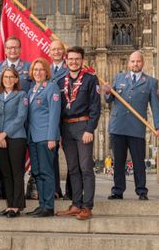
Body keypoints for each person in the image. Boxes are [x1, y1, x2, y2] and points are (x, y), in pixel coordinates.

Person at [104, 50, 159, 201]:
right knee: (118, 161)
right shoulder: (118, 78)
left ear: (142, 63)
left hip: (137, 127)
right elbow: (109, 100)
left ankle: (141, 191)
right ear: (128, 63)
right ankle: (117, 191)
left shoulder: (150, 82)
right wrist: (107, 92)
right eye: (133, 61)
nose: (135, 64)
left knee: (138, 161)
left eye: (138, 61)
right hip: (118, 126)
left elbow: (155, 106)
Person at [56, 46, 101, 220]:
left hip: (83, 127)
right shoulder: (60, 82)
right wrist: (59, 133)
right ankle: (76, 204)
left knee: (85, 168)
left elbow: (95, 107)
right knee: (73, 169)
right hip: (66, 128)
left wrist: (90, 129)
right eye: (70, 59)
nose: (73, 62)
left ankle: (87, 206)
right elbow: (58, 110)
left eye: (77, 59)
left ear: (82, 60)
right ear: (66, 60)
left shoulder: (90, 79)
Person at [0, 36, 31, 200]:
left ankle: (16, 201)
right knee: (1, 165)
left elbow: (29, 99)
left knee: (16, 168)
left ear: (20, 49)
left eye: (15, 47)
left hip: (20, 126)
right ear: (5, 50)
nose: (12, 50)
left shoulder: (28, 67)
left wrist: (6, 133)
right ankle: (0, 190)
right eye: (9, 47)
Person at [0, 67, 28, 218]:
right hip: (0, 139)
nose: (9, 80)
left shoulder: (21, 95)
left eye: (12, 77)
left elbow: (21, 117)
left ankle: (17, 206)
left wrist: (5, 133)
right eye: (6, 77)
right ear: (2, 79)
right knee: (5, 174)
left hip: (16, 138)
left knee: (17, 172)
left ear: (17, 79)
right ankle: (9, 205)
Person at [26, 58, 61, 217]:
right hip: (33, 137)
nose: (38, 73)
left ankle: (49, 206)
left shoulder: (51, 87)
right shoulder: (32, 90)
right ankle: (42, 204)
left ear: (46, 72)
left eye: (41, 70)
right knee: (37, 172)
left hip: (45, 137)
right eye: (35, 70)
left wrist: (52, 137)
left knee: (47, 172)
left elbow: (54, 114)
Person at [49, 40, 69, 199]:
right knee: (52, 156)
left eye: (59, 49)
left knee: (72, 157)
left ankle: (71, 191)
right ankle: (55, 189)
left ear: (63, 52)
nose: (56, 52)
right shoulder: (45, 70)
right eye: (53, 49)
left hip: (68, 118)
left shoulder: (70, 68)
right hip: (50, 119)